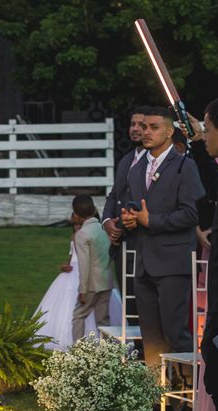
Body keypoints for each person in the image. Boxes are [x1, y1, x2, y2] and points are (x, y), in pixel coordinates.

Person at [121, 106, 205, 371]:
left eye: (153, 127)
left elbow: (192, 214)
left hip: (173, 263)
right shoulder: (136, 170)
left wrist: (151, 221)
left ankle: (189, 397)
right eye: (144, 127)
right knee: (151, 336)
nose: (146, 132)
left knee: (174, 331)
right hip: (144, 262)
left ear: (170, 132)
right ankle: (158, 398)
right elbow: (138, 209)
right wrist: (130, 220)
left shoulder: (184, 166)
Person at [190, 97, 218, 411]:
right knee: (215, 374)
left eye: (208, 127)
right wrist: (196, 140)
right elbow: (212, 186)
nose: (205, 133)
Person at [35, 216, 122, 350]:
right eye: (75, 225)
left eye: (78, 225)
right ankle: (81, 345)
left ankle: (101, 346)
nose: (77, 227)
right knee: (75, 309)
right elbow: (72, 257)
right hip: (77, 271)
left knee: (94, 313)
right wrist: (67, 265)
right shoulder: (75, 237)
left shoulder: (91, 235)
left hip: (89, 274)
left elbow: (90, 259)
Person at [102, 106, 149, 289]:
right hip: (121, 244)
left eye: (141, 125)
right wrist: (107, 222)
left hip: (143, 243)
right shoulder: (126, 160)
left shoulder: (155, 161)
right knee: (127, 306)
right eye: (132, 124)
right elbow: (114, 195)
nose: (135, 128)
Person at [71, 195, 114, 342]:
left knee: (78, 316)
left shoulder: (82, 234)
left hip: (91, 284)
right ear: (94, 209)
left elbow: (84, 264)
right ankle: (109, 353)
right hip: (107, 279)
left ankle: (79, 351)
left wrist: (82, 290)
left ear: (76, 215)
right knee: (103, 320)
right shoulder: (104, 229)